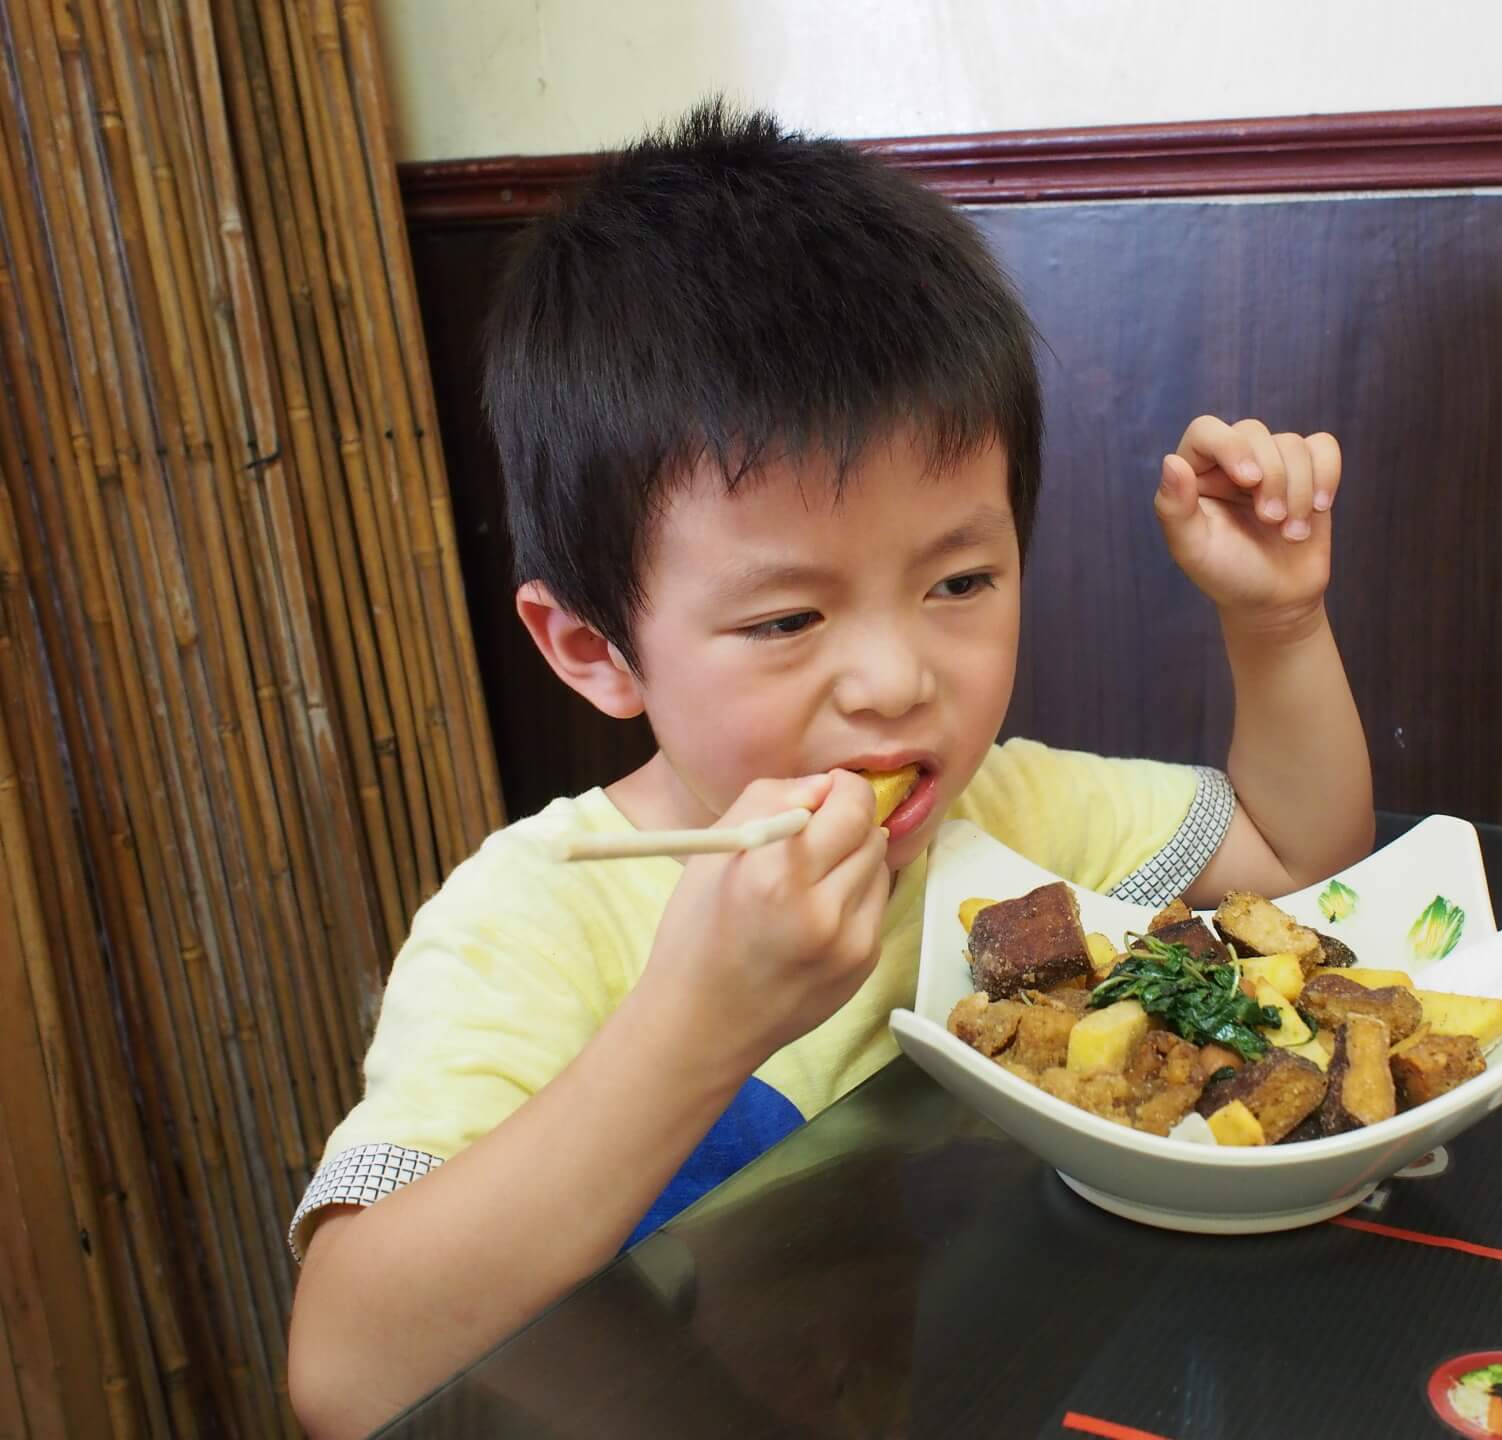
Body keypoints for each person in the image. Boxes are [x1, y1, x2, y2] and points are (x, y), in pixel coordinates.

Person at [286, 101, 1372, 1436]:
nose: (896, 681)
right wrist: (699, 1023)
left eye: (959, 581)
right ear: (594, 648)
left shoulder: (1007, 811)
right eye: (788, 618)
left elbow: (1298, 857)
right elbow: (345, 1373)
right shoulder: (535, 913)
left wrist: (1278, 625)